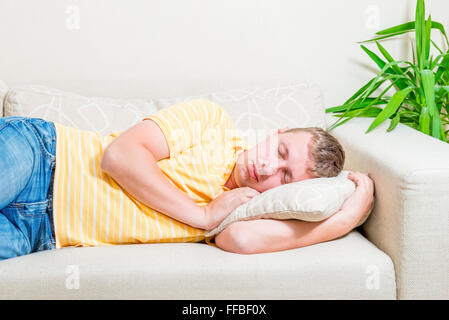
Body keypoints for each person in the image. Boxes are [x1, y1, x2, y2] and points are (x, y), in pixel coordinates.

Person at [0, 99, 374, 260]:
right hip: (42, 157)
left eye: (286, 177)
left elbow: (241, 242)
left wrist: (342, 221)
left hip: (39, 234)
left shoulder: (245, 209)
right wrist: (202, 216)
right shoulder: (213, 123)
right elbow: (119, 156)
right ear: (276, 132)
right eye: (280, 152)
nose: (268, 169)